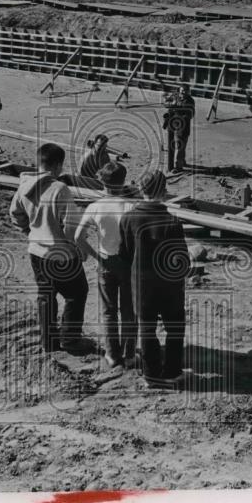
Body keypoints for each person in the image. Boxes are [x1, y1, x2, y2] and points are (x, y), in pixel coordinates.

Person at [9, 142, 90, 354]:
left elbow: (15, 213)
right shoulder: (60, 189)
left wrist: (29, 232)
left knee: (46, 295)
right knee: (77, 293)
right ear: (57, 165)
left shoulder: (24, 185)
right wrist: (79, 249)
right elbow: (71, 225)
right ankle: (70, 340)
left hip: (36, 251)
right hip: (60, 254)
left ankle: (49, 342)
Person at [119, 169, 190, 388]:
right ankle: (172, 372)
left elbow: (124, 253)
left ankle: (150, 374)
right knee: (175, 328)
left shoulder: (128, 218)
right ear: (164, 192)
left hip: (141, 285)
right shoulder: (171, 220)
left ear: (140, 189)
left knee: (146, 329)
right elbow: (181, 260)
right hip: (169, 286)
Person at [74, 162, 138, 368]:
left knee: (108, 310)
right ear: (123, 181)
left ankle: (111, 354)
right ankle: (129, 354)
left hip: (105, 260)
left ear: (103, 183)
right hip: (127, 262)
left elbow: (78, 237)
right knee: (129, 311)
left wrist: (94, 255)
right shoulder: (131, 207)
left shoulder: (95, 207)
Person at [162, 83, 195, 172]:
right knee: (178, 146)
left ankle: (178, 166)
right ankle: (181, 161)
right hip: (173, 125)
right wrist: (171, 103)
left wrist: (179, 111)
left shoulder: (190, 101)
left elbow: (190, 114)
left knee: (181, 146)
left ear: (188, 92)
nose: (182, 93)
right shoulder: (175, 96)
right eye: (181, 91)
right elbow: (165, 103)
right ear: (179, 91)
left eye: (185, 91)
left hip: (183, 127)